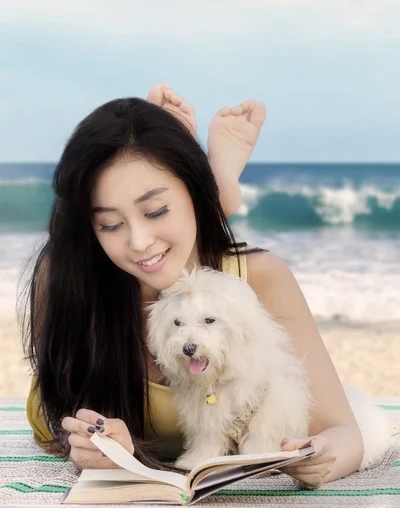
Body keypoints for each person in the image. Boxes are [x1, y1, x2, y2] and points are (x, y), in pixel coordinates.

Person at [22, 85, 364, 490]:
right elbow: (56, 414)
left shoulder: (259, 279)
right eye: (110, 224)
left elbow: (344, 434)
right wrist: (92, 445)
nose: (138, 242)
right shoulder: (69, 275)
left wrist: (318, 456)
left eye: (156, 210)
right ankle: (211, 194)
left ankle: (213, 191)